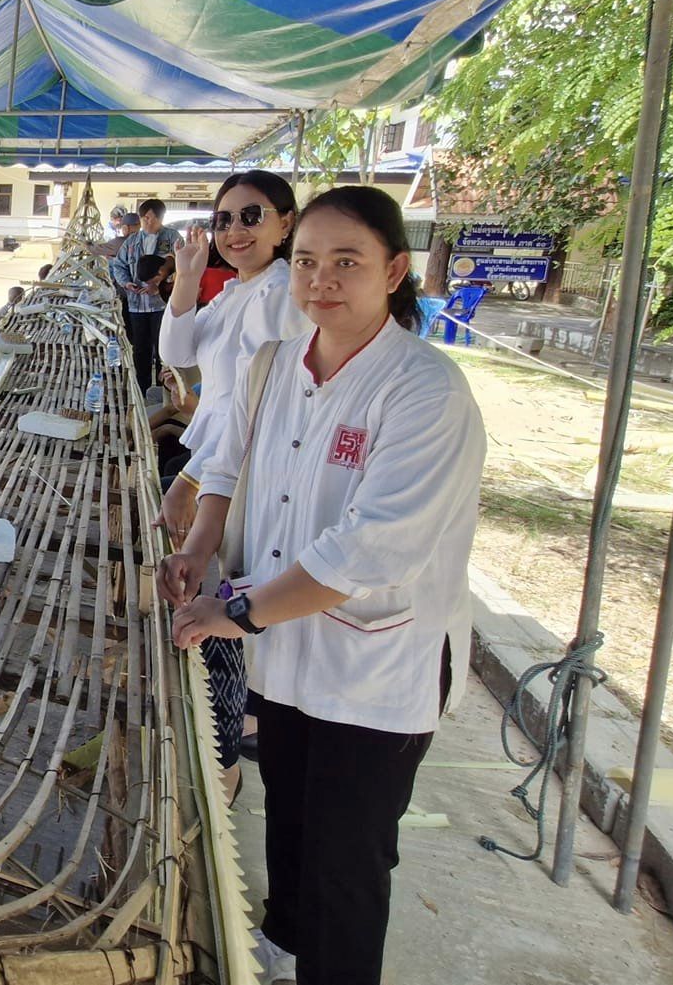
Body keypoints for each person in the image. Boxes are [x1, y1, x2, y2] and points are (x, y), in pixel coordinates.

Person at [163, 185, 486, 985]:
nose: (321, 280)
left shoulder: (424, 390)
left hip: (377, 670)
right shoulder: (278, 362)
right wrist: (201, 546)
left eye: (348, 261)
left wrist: (235, 610)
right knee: (292, 815)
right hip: (293, 651)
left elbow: (371, 548)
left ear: (396, 269)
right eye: (308, 260)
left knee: (348, 859)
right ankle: (279, 943)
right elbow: (228, 464)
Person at [155, 171, 312, 788]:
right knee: (224, 590)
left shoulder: (281, 298)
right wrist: (189, 279)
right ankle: (245, 720)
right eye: (224, 220)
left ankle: (239, 739)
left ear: (285, 223)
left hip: (248, 474)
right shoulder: (234, 293)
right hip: (220, 463)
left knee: (236, 600)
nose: (235, 231)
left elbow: (255, 417)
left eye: (252, 217)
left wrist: (189, 482)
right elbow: (177, 351)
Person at [110, 198, 182, 393]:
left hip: (163, 305)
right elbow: (119, 265)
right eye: (144, 218)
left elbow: (182, 268)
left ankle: (164, 391)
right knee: (140, 348)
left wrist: (161, 285)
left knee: (163, 349)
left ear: (160, 218)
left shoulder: (173, 238)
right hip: (136, 304)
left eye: (151, 218)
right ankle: (141, 390)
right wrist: (127, 283)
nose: (147, 222)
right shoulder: (132, 241)